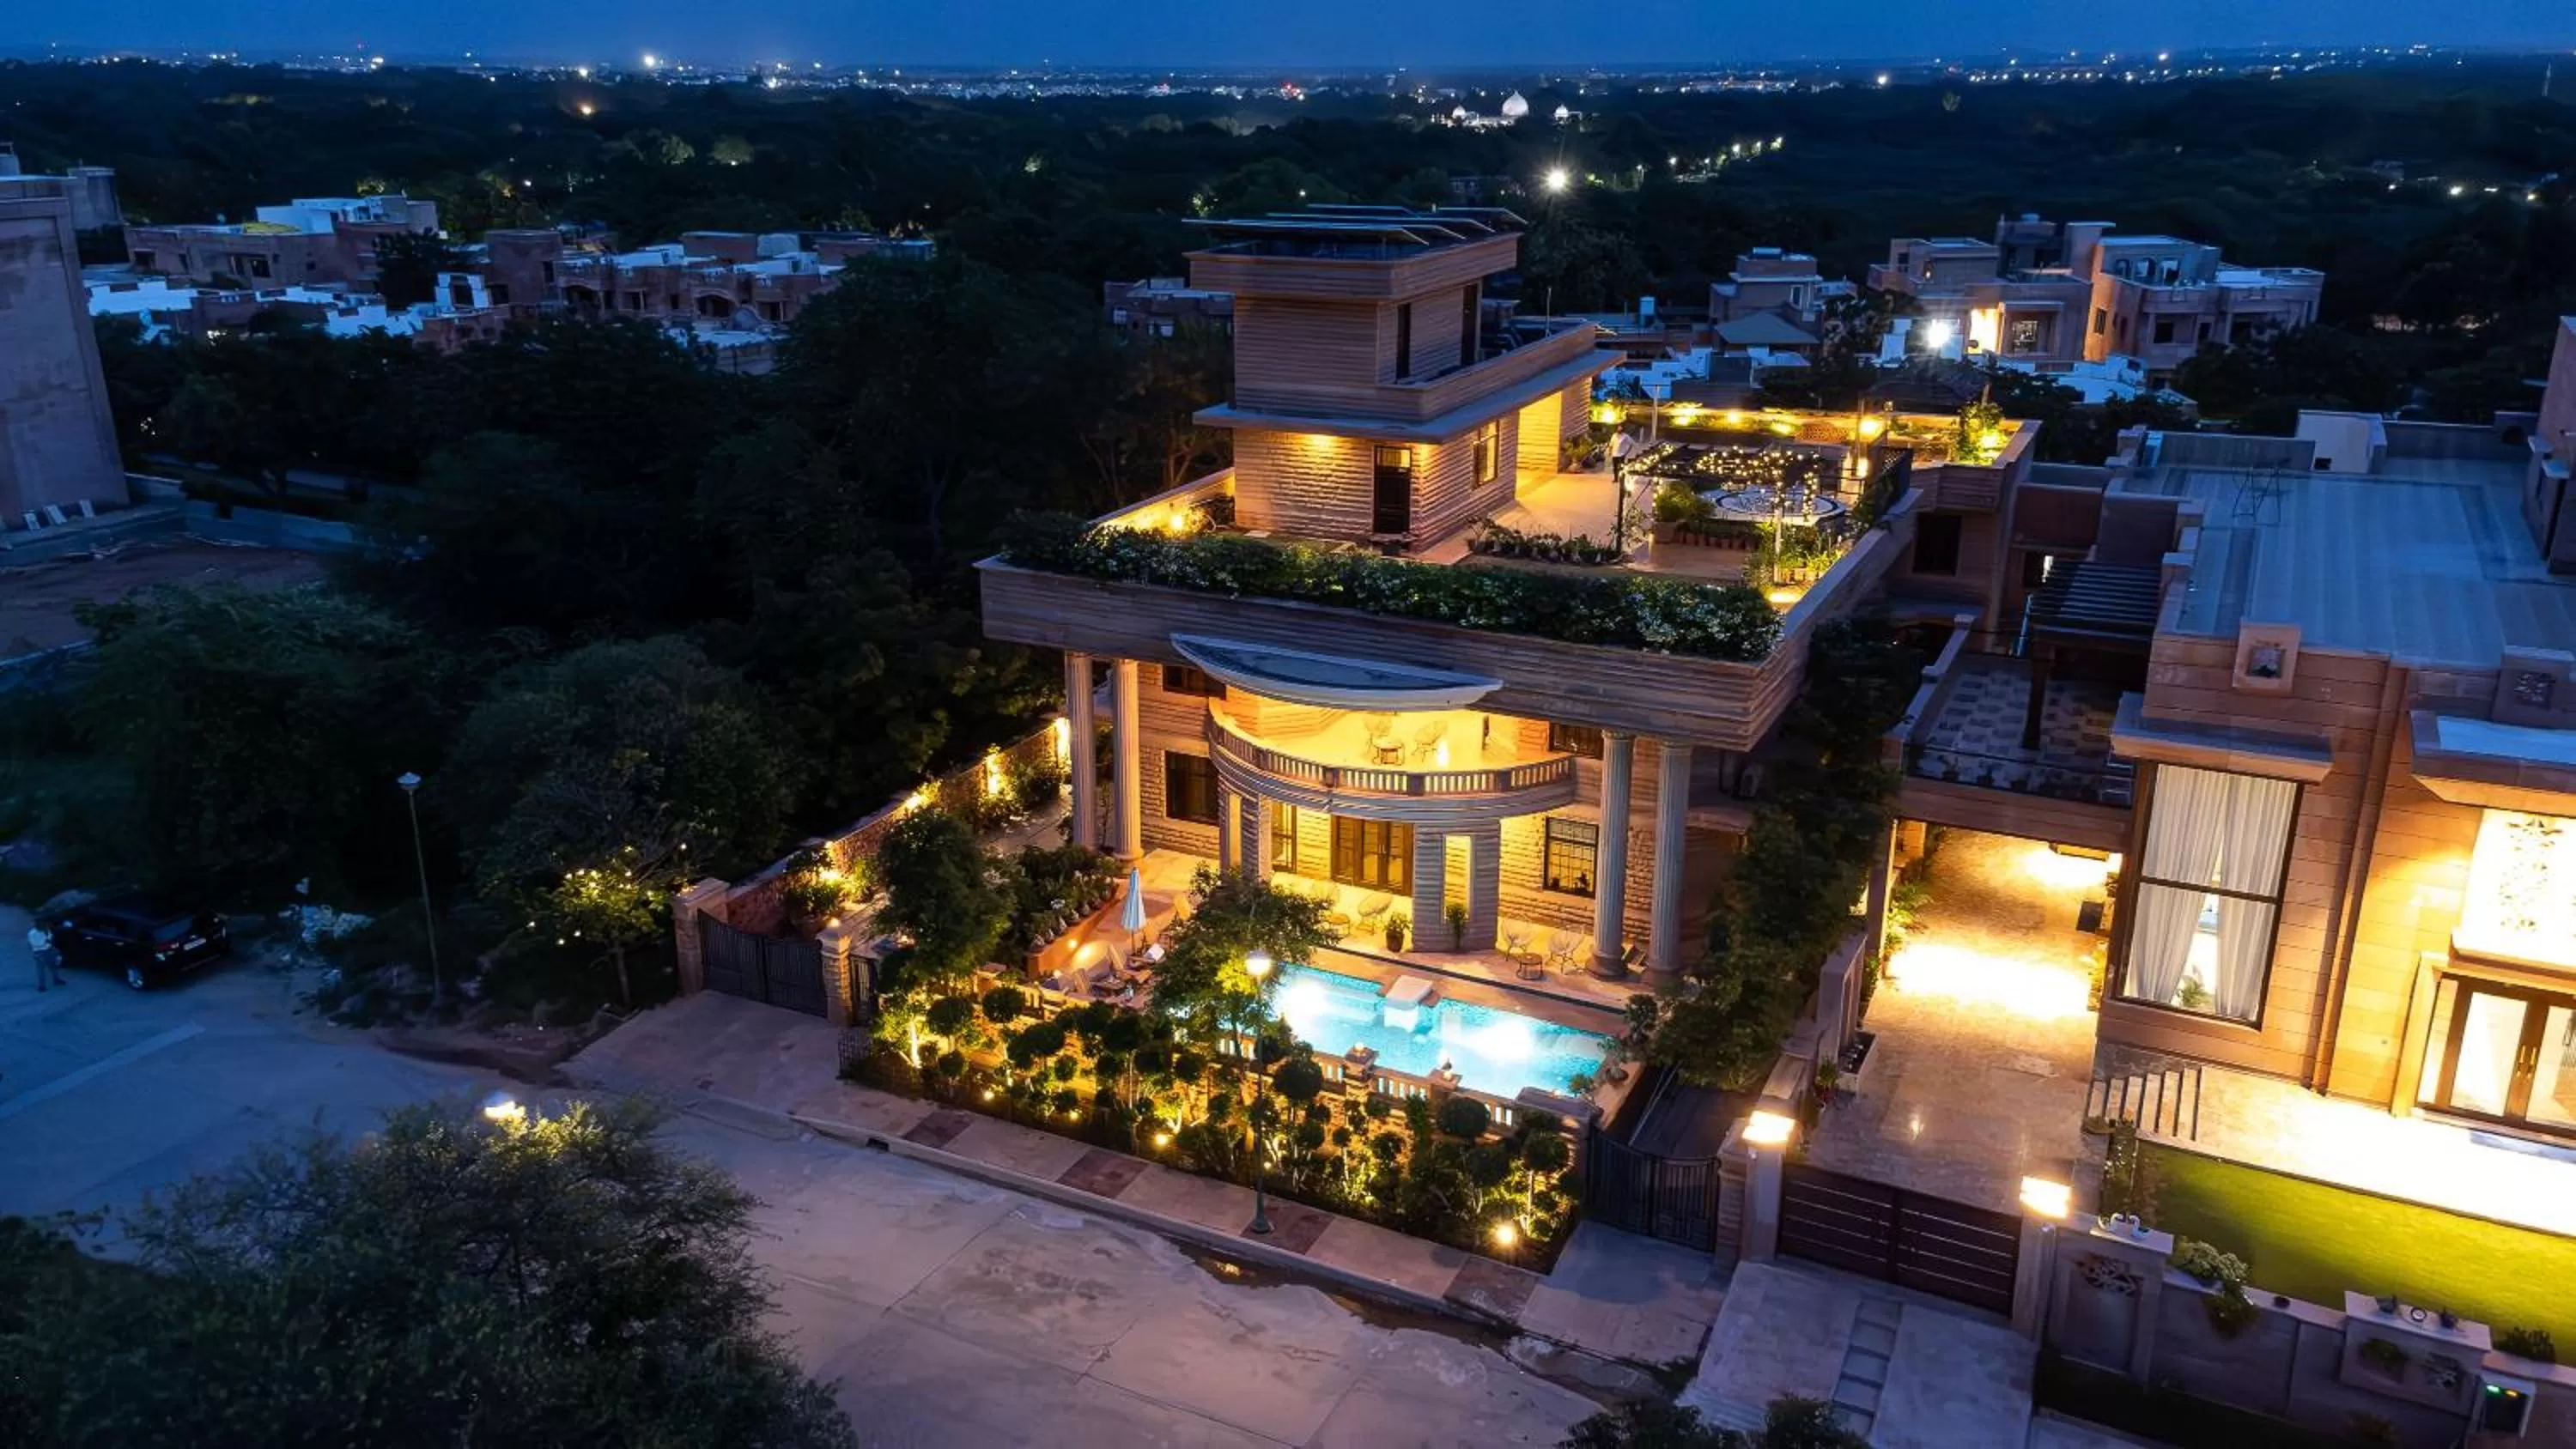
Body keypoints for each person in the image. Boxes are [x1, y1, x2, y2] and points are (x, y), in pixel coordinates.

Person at [27, 922, 64, 991]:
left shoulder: (46, 930)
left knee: (54, 965)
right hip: (39, 952)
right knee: (41, 969)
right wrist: (46, 941)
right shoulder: (32, 934)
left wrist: (49, 939)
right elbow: (35, 944)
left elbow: (51, 937)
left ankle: (57, 980)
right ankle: (42, 986)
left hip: (49, 950)